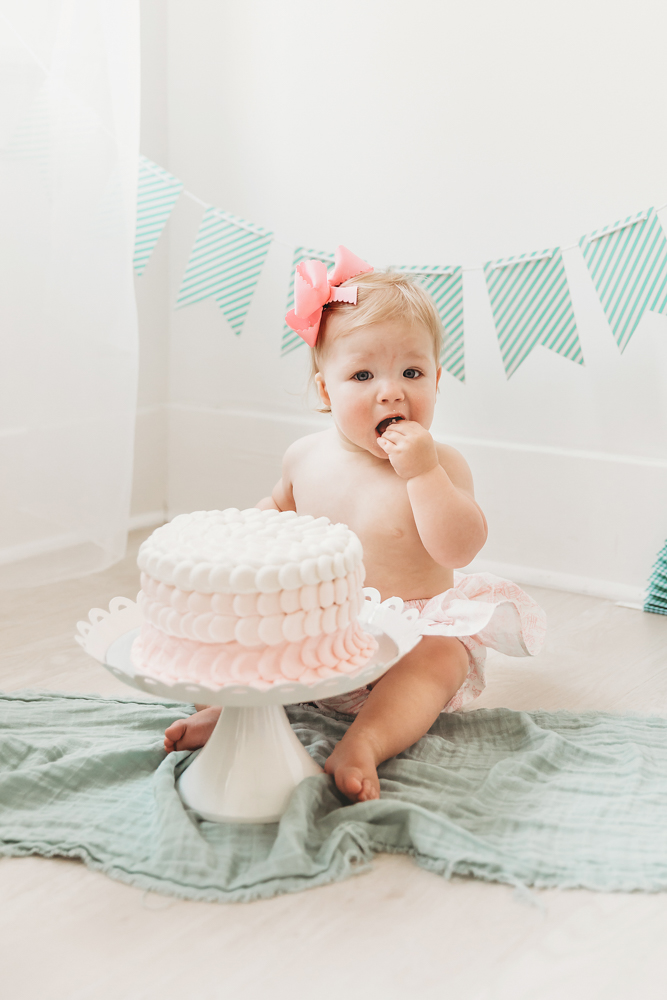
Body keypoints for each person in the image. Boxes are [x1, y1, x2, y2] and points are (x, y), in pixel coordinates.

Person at [164, 247, 546, 803]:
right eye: (362, 374)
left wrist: (423, 475)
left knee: (441, 657)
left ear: (437, 381)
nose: (390, 391)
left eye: (411, 372)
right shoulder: (305, 458)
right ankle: (241, 711)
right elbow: (270, 521)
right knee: (260, 630)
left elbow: (459, 547)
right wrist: (226, 550)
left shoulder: (443, 465)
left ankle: (366, 741)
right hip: (321, 629)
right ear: (326, 390)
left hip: (410, 634)